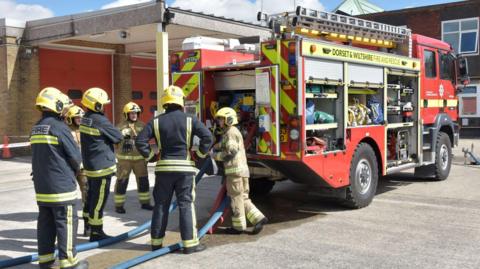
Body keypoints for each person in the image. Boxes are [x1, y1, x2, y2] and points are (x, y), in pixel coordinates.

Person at [135, 85, 213, 254]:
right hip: (185, 170)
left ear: (165, 103)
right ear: (181, 102)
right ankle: (190, 244)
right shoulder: (190, 119)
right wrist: (198, 154)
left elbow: (140, 141)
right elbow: (208, 137)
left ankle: (156, 243)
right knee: (186, 204)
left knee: (161, 206)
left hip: (163, 170)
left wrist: (151, 157)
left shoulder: (155, 121)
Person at [31, 87, 88, 269]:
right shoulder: (60, 128)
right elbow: (75, 157)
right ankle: (69, 263)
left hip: (42, 188)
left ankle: (46, 261)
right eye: (63, 107)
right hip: (61, 188)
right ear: (56, 106)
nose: (65, 111)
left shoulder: (36, 128)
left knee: (46, 225)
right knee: (67, 224)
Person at [212, 107, 268, 235]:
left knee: (235, 198)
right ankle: (259, 219)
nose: (219, 122)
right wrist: (216, 146)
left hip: (234, 173)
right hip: (242, 172)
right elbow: (226, 144)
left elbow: (231, 151)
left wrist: (215, 156)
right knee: (243, 197)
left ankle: (238, 227)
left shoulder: (230, 132)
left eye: (221, 119)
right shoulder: (233, 131)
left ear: (228, 119)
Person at [79, 87, 123, 242]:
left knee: (90, 197)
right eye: (102, 104)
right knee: (99, 200)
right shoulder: (100, 120)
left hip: (90, 166)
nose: (104, 106)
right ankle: (96, 232)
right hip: (102, 168)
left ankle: (87, 226)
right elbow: (118, 137)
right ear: (96, 105)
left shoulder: (85, 118)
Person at [114, 102, 153, 214]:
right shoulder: (119, 126)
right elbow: (115, 142)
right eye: (131, 113)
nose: (134, 115)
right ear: (126, 114)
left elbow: (147, 141)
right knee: (122, 182)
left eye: (136, 113)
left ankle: (145, 203)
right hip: (124, 160)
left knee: (143, 181)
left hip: (140, 160)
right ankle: (119, 205)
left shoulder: (142, 125)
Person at [65, 105, 90, 236]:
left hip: (83, 168)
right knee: (68, 195)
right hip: (69, 168)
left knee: (87, 194)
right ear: (70, 118)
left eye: (81, 117)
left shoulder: (86, 130)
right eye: (77, 117)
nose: (80, 119)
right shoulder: (65, 131)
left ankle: (88, 224)